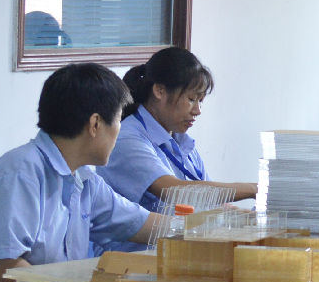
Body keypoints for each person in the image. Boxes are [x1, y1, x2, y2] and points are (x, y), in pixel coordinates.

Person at [0, 63, 159, 282]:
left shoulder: (84, 179)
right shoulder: (20, 171)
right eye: (119, 120)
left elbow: (140, 223)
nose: (119, 131)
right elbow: (1, 265)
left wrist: (184, 230)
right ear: (95, 124)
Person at [98, 47, 257, 212]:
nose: (198, 110)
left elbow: (208, 201)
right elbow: (176, 192)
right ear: (160, 91)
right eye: (191, 99)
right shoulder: (127, 138)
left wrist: (244, 215)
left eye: (201, 101)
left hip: (183, 228)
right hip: (146, 230)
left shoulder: (180, 139)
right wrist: (254, 189)